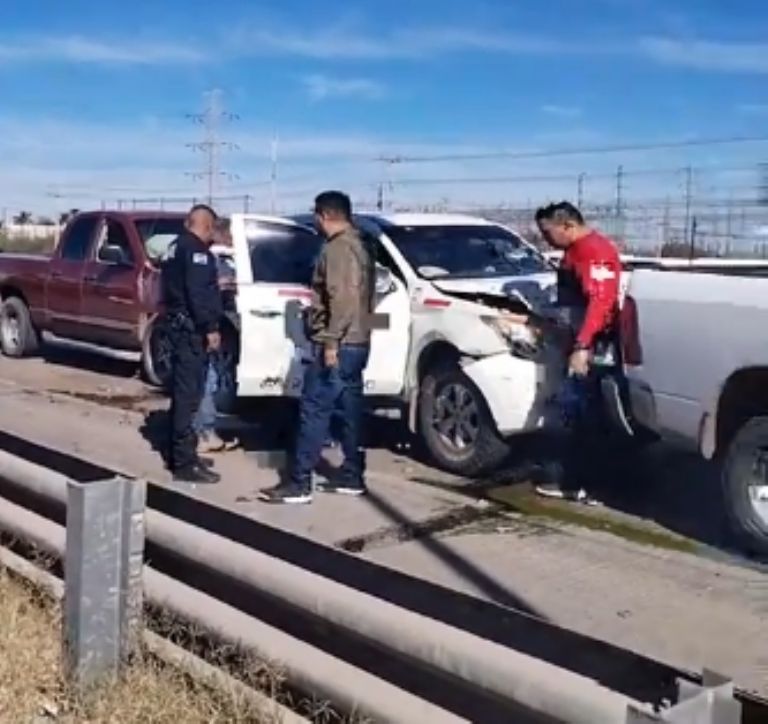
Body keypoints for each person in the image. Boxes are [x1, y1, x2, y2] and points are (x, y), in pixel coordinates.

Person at [259, 191, 375, 504]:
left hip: (339, 344)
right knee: (350, 411)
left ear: (324, 215)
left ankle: (299, 483)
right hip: (358, 341)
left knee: (314, 410)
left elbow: (343, 299)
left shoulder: (338, 249)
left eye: (316, 216)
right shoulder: (362, 245)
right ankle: (352, 475)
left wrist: (330, 341)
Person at [533, 201, 622, 502]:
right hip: (577, 339)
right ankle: (580, 479)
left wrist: (583, 345)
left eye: (548, 233)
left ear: (567, 226)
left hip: (591, 345)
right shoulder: (575, 251)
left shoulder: (593, 252)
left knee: (583, 413)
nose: (545, 240)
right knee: (577, 412)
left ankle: (582, 483)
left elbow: (601, 302)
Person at [161, 204, 223, 484]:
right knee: (188, 397)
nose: (213, 235)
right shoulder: (197, 252)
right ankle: (184, 463)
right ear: (206, 225)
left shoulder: (175, 247)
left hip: (177, 326)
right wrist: (210, 327)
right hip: (190, 331)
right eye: (213, 229)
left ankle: (182, 454)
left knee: (183, 394)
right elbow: (198, 294)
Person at [194, 218, 240, 455]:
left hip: (208, 325)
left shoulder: (206, 256)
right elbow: (207, 290)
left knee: (207, 379)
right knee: (208, 380)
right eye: (232, 236)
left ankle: (204, 432)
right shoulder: (213, 258)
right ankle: (204, 433)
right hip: (209, 326)